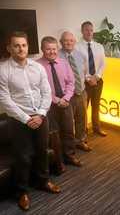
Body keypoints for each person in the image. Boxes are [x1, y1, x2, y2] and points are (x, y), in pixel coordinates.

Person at [0, 32, 61, 211]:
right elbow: (5, 100)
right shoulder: (3, 70)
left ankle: (43, 181)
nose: (21, 49)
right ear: (9, 48)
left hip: (41, 117)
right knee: (23, 156)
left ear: (28, 47)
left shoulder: (37, 67)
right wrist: (27, 119)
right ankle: (22, 192)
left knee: (42, 151)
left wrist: (41, 114)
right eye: (16, 45)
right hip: (19, 121)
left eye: (24, 45)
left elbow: (46, 92)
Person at [38, 36, 82, 171]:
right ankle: (58, 161)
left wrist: (67, 98)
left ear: (57, 48)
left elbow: (71, 82)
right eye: (48, 49)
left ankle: (69, 156)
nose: (52, 51)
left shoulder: (64, 63)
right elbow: (39, 87)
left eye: (54, 49)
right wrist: (56, 100)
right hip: (48, 105)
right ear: (42, 49)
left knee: (68, 131)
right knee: (54, 134)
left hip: (66, 101)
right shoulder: (37, 66)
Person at [59, 31, 92, 152]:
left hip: (81, 92)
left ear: (75, 42)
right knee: (67, 122)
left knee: (82, 119)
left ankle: (80, 141)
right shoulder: (57, 57)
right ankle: (68, 146)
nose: (69, 43)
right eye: (66, 40)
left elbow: (84, 72)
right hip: (67, 95)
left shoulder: (80, 55)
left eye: (71, 40)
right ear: (61, 42)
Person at [76, 21, 107, 137]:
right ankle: (83, 132)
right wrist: (88, 78)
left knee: (96, 105)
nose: (89, 32)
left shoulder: (99, 46)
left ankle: (96, 128)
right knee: (84, 109)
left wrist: (97, 76)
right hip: (84, 83)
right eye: (86, 30)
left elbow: (103, 63)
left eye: (91, 30)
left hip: (98, 81)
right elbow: (77, 66)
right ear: (82, 31)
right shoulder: (77, 47)